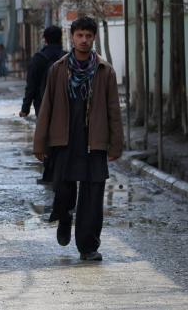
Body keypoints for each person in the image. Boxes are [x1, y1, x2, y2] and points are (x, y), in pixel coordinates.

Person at [32, 16, 122, 261]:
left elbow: (114, 109)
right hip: (65, 140)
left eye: (88, 36)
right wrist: (40, 142)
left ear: (93, 38)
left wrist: (116, 144)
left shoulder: (104, 71)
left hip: (95, 140)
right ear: (71, 37)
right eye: (79, 35)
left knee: (93, 195)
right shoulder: (58, 69)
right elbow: (47, 107)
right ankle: (64, 215)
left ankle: (88, 246)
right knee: (64, 187)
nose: (84, 40)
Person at [20, 26, 66, 119]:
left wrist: (25, 109)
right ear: (60, 38)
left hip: (43, 105)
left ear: (45, 40)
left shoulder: (38, 59)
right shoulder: (68, 57)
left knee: (45, 132)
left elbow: (31, 86)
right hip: (66, 105)